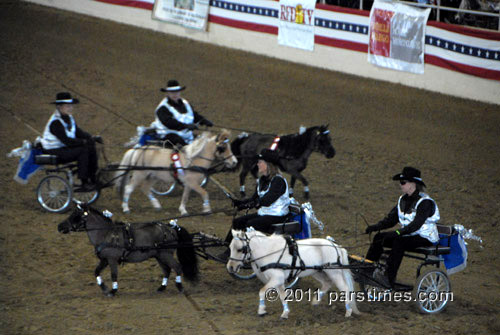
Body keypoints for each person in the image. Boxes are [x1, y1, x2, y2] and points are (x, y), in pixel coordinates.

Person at [365, 166, 440, 288]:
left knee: (399, 242)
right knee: (379, 237)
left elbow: (416, 225)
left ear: (413, 184)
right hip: (408, 235)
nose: (401, 185)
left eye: (403, 182)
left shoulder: (425, 202)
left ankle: (388, 277)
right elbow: (391, 220)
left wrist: (398, 233)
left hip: (424, 237)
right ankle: (368, 268)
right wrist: (375, 227)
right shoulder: (402, 200)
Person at [219, 149, 290, 261]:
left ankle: (243, 253)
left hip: (277, 216)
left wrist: (253, 204)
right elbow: (254, 198)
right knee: (238, 221)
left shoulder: (278, 181)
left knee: (250, 224)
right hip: (265, 214)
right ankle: (228, 247)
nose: (258, 164)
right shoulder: (262, 180)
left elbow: (267, 200)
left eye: (260, 162)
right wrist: (241, 203)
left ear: (268, 165)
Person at [40, 92, 102, 191]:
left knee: (91, 146)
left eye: (71, 106)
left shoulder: (69, 118)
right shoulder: (55, 122)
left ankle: (92, 177)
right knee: (83, 150)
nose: (71, 108)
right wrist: (83, 142)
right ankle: (84, 181)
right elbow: (66, 141)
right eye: (68, 106)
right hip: (53, 150)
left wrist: (92, 138)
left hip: (63, 148)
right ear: (59, 107)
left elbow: (78, 132)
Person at [149, 79, 213, 147]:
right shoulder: (162, 108)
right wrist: (186, 126)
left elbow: (194, 115)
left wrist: (203, 120)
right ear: (167, 93)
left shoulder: (186, 103)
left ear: (180, 92)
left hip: (186, 136)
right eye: (172, 92)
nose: (175, 94)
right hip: (169, 135)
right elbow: (169, 123)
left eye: (176, 92)